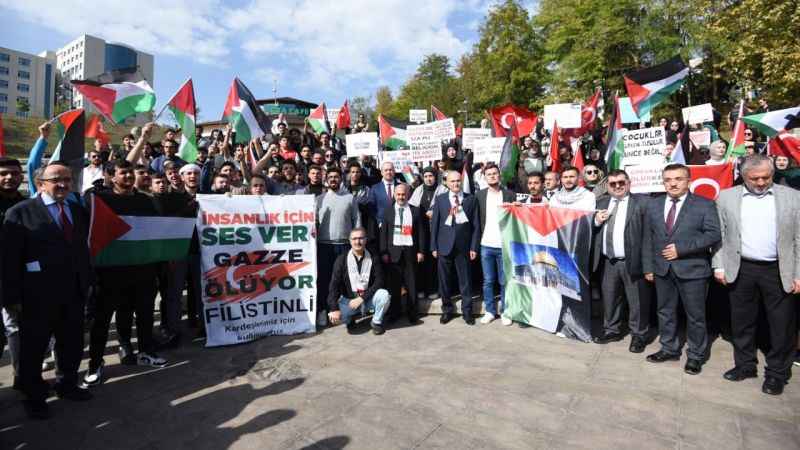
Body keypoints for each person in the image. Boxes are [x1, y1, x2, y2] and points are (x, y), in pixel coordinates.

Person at [3, 162, 93, 419]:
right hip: (36, 297)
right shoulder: (20, 212)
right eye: (56, 179)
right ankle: (33, 396)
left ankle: (67, 384)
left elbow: (82, 250)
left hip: (73, 292)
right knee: (33, 349)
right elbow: (9, 259)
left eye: (67, 179)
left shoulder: (78, 210)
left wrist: (88, 283)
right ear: (40, 183)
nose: (63, 184)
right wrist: (11, 297)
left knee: (71, 343)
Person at [712, 155, 800, 395]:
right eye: (755, 178)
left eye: (766, 177)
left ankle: (777, 374)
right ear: (743, 176)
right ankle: (745, 365)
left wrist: (798, 274)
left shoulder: (792, 197)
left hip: (779, 269)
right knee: (742, 321)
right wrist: (719, 266)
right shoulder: (726, 197)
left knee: (781, 325)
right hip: (741, 268)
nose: (761, 182)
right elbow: (720, 235)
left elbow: (799, 238)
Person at [83, 160, 167, 389]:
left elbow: (155, 229)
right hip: (109, 272)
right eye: (123, 173)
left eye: (131, 173)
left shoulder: (145, 200)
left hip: (142, 269)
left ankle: (146, 352)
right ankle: (95, 364)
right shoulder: (98, 199)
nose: (129, 177)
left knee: (145, 314)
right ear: (111, 176)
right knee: (101, 320)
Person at [642, 163, 721, 375]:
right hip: (662, 269)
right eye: (668, 180)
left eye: (678, 179)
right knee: (665, 311)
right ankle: (668, 348)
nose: (673, 183)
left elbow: (713, 234)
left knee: (695, 315)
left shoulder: (704, 205)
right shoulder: (654, 205)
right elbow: (648, 238)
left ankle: (695, 355)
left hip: (693, 270)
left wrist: (682, 249)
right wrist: (648, 267)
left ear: (688, 181)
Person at [592, 170, 652, 353]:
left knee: (637, 301)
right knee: (610, 298)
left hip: (632, 261)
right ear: (607, 186)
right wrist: (596, 221)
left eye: (621, 182)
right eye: (613, 184)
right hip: (608, 261)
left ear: (628, 183)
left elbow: (649, 236)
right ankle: (612, 330)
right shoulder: (601, 202)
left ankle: (639, 334)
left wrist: (648, 265)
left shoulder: (642, 203)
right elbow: (589, 229)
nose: (617, 186)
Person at [431, 171, 480, 325]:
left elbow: (476, 225)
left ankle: (467, 311)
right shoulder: (440, 199)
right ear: (446, 183)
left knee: (465, 281)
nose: (455, 184)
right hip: (444, 245)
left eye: (458, 181)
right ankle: (447, 310)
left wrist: (474, 247)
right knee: (444, 281)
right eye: (452, 181)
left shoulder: (471, 199)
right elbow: (435, 224)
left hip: (463, 247)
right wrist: (433, 246)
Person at [315, 167, 361, 326]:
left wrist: (357, 242)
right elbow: (314, 223)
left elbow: (357, 220)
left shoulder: (350, 198)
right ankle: (323, 310)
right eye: (330, 177)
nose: (333, 179)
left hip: (345, 245)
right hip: (324, 245)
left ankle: (348, 312)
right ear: (326, 179)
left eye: (336, 176)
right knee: (324, 280)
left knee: (346, 280)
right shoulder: (319, 199)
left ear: (341, 179)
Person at [327, 228, 390, 334]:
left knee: (384, 295)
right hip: (349, 301)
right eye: (354, 239)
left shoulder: (373, 257)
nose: (358, 242)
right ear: (350, 241)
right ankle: (349, 320)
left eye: (361, 238)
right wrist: (334, 309)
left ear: (366, 240)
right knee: (336, 315)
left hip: (367, 299)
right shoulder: (341, 259)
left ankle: (376, 322)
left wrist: (362, 298)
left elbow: (380, 281)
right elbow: (334, 285)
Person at [379, 183, 425, 324]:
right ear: (394, 195)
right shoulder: (388, 211)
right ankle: (395, 313)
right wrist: (384, 252)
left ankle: (413, 313)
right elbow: (384, 233)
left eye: (403, 194)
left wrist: (421, 251)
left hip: (410, 252)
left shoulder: (415, 211)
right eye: (398, 194)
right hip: (393, 254)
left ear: (408, 195)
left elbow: (421, 233)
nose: (401, 197)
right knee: (394, 285)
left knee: (412, 284)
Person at [475, 163, 515, 324]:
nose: (492, 176)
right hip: (486, 244)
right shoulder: (479, 196)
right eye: (489, 174)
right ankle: (490, 311)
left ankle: (506, 312)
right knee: (488, 281)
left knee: (504, 281)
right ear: (484, 178)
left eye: (494, 173)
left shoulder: (510, 195)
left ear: (500, 175)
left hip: (504, 245)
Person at [0, 157, 26, 389]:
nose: (9, 177)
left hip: (18, 279)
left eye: (14, 173)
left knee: (17, 330)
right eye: (3, 173)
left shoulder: (27, 206)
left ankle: (22, 377)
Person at [409, 167, 448, 300]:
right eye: (425, 176)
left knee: (433, 261)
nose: (428, 179)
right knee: (421, 260)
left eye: (431, 176)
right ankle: (421, 288)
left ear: (435, 177)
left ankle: (433, 289)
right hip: (421, 231)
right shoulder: (418, 190)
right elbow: (412, 208)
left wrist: (435, 213)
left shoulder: (443, 190)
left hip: (437, 231)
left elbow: (447, 207)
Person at [368, 162, 400, 227]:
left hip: (399, 223)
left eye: (390, 170)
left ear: (394, 171)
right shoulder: (375, 188)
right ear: (381, 173)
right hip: (381, 225)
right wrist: (379, 221)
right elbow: (372, 208)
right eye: (386, 170)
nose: (388, 172)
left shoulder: (401, 187)